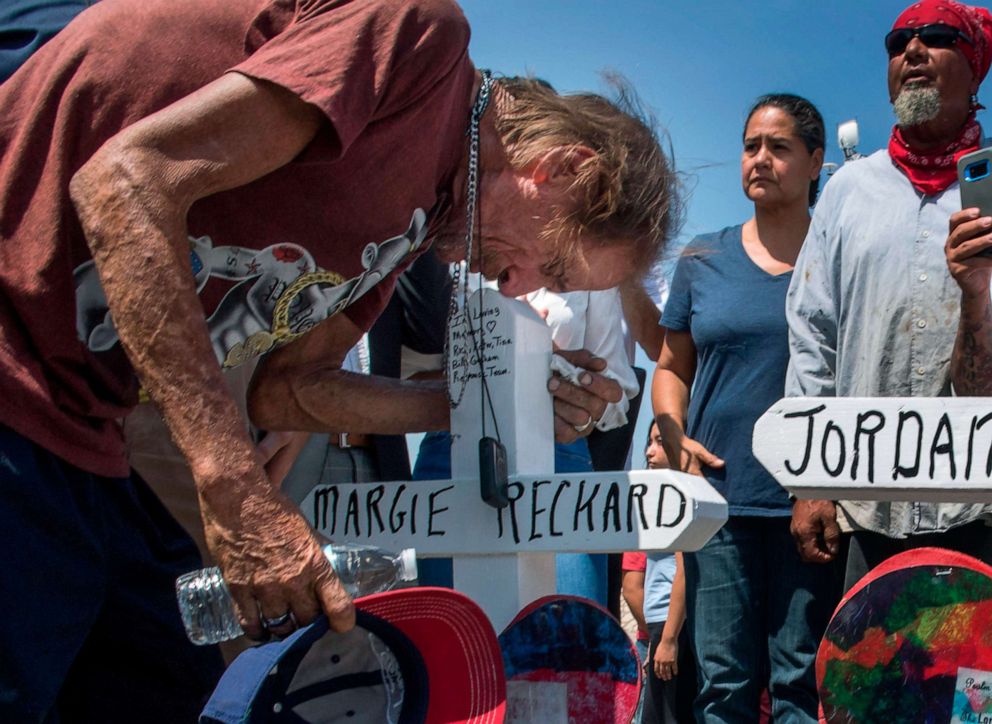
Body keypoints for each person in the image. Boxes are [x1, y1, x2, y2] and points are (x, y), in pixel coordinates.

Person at [0, 0, 681, 719]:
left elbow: (289, 391)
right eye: (555, 266)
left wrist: (480, 399)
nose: (520, 288)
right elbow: (127, 182)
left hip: (81, 429)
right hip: (19, 383)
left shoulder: (423, 212)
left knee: (169, 689)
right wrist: (234, 485)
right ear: (561, 168)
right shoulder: (421, 43)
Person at [788, 0, 992, 594]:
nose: (913, 50)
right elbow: (811, 336)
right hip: (867, 507)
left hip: (980, 505)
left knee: (974, 685)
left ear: (976, 65)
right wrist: (812, 479)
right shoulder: (848, 191)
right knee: (867, 681)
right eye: (898, 40)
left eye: (937, 36)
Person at [654, 93, 837, 722]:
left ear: (816, 161)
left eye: (779, 146)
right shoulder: (703, 259)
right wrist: (671, 433)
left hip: (811, 504)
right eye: (751, 145)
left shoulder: (838, 255)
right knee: (722, 684)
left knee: (799, 682)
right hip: (719, 504)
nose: (760, 158)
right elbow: (671, 367)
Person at [622, 422, 695, 724]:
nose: (649, 452)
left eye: (660, 442)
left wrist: (667, 639)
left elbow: (684, 568)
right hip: (661, 625)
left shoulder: (680, 498)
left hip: (671, 623)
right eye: (648, 443)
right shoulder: (658, 499)